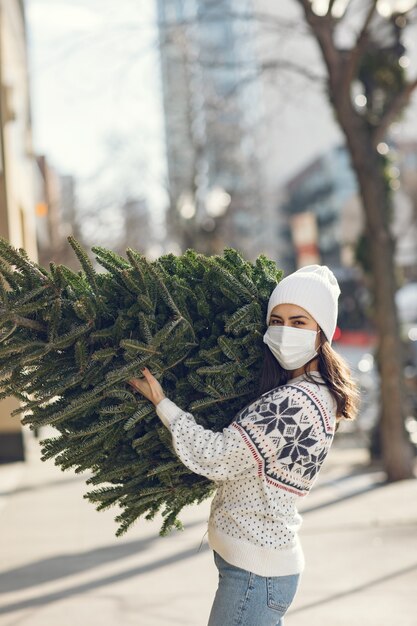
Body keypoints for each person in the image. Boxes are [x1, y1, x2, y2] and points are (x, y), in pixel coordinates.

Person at [128, 264, 358, 626]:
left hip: (256, 571)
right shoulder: (312, 393)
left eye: (298, 322)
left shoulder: (293, 403)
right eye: (277, 321)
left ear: (321, 332)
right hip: (259, 565)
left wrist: (163, 404)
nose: (284, 331)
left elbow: (216, 456)